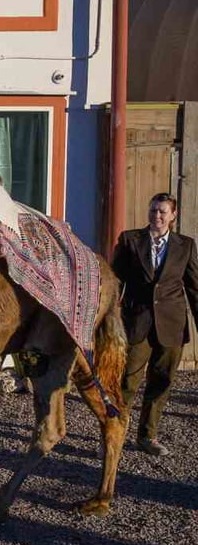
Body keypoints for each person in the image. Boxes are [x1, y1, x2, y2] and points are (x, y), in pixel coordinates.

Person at [112, 192, 198, 456]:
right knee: (126, 383)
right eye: (153, 211)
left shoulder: (186, 245)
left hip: (172, 325)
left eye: (162, 212)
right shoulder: (130, 240)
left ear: (173, 215)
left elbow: (194, 288)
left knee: (161, 382)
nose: (156, 216)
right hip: (137, 323)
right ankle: (114, 435)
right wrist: (110, 318)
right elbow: (115, 281)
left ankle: (147, 436)